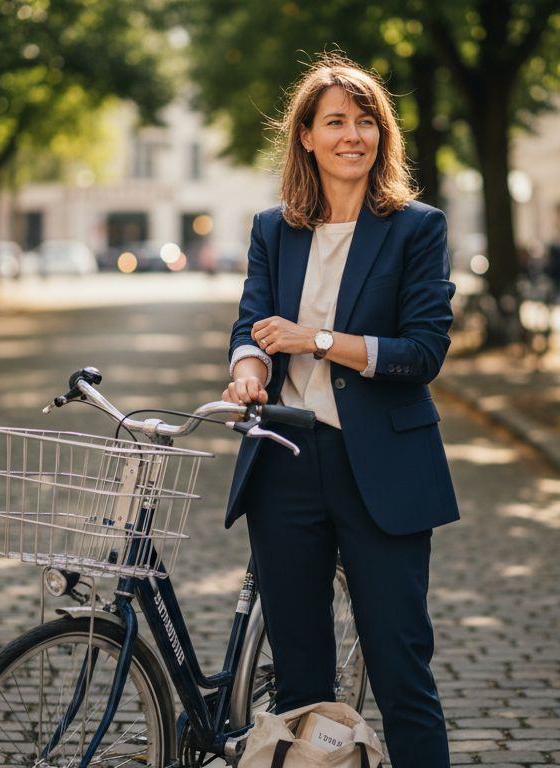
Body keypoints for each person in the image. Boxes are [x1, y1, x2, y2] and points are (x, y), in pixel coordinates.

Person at [220, 54, 458, 768]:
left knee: (399, 668)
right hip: (286, 466)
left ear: (382, 136)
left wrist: (317, 341)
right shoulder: (274, 228)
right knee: (299, 682)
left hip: (382, 468)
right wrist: (249, 368)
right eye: (335, 122)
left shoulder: (416, 228)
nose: (353, 135)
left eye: (365, 122)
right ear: (306, 137)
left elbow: (422, 352)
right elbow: (251, 323)